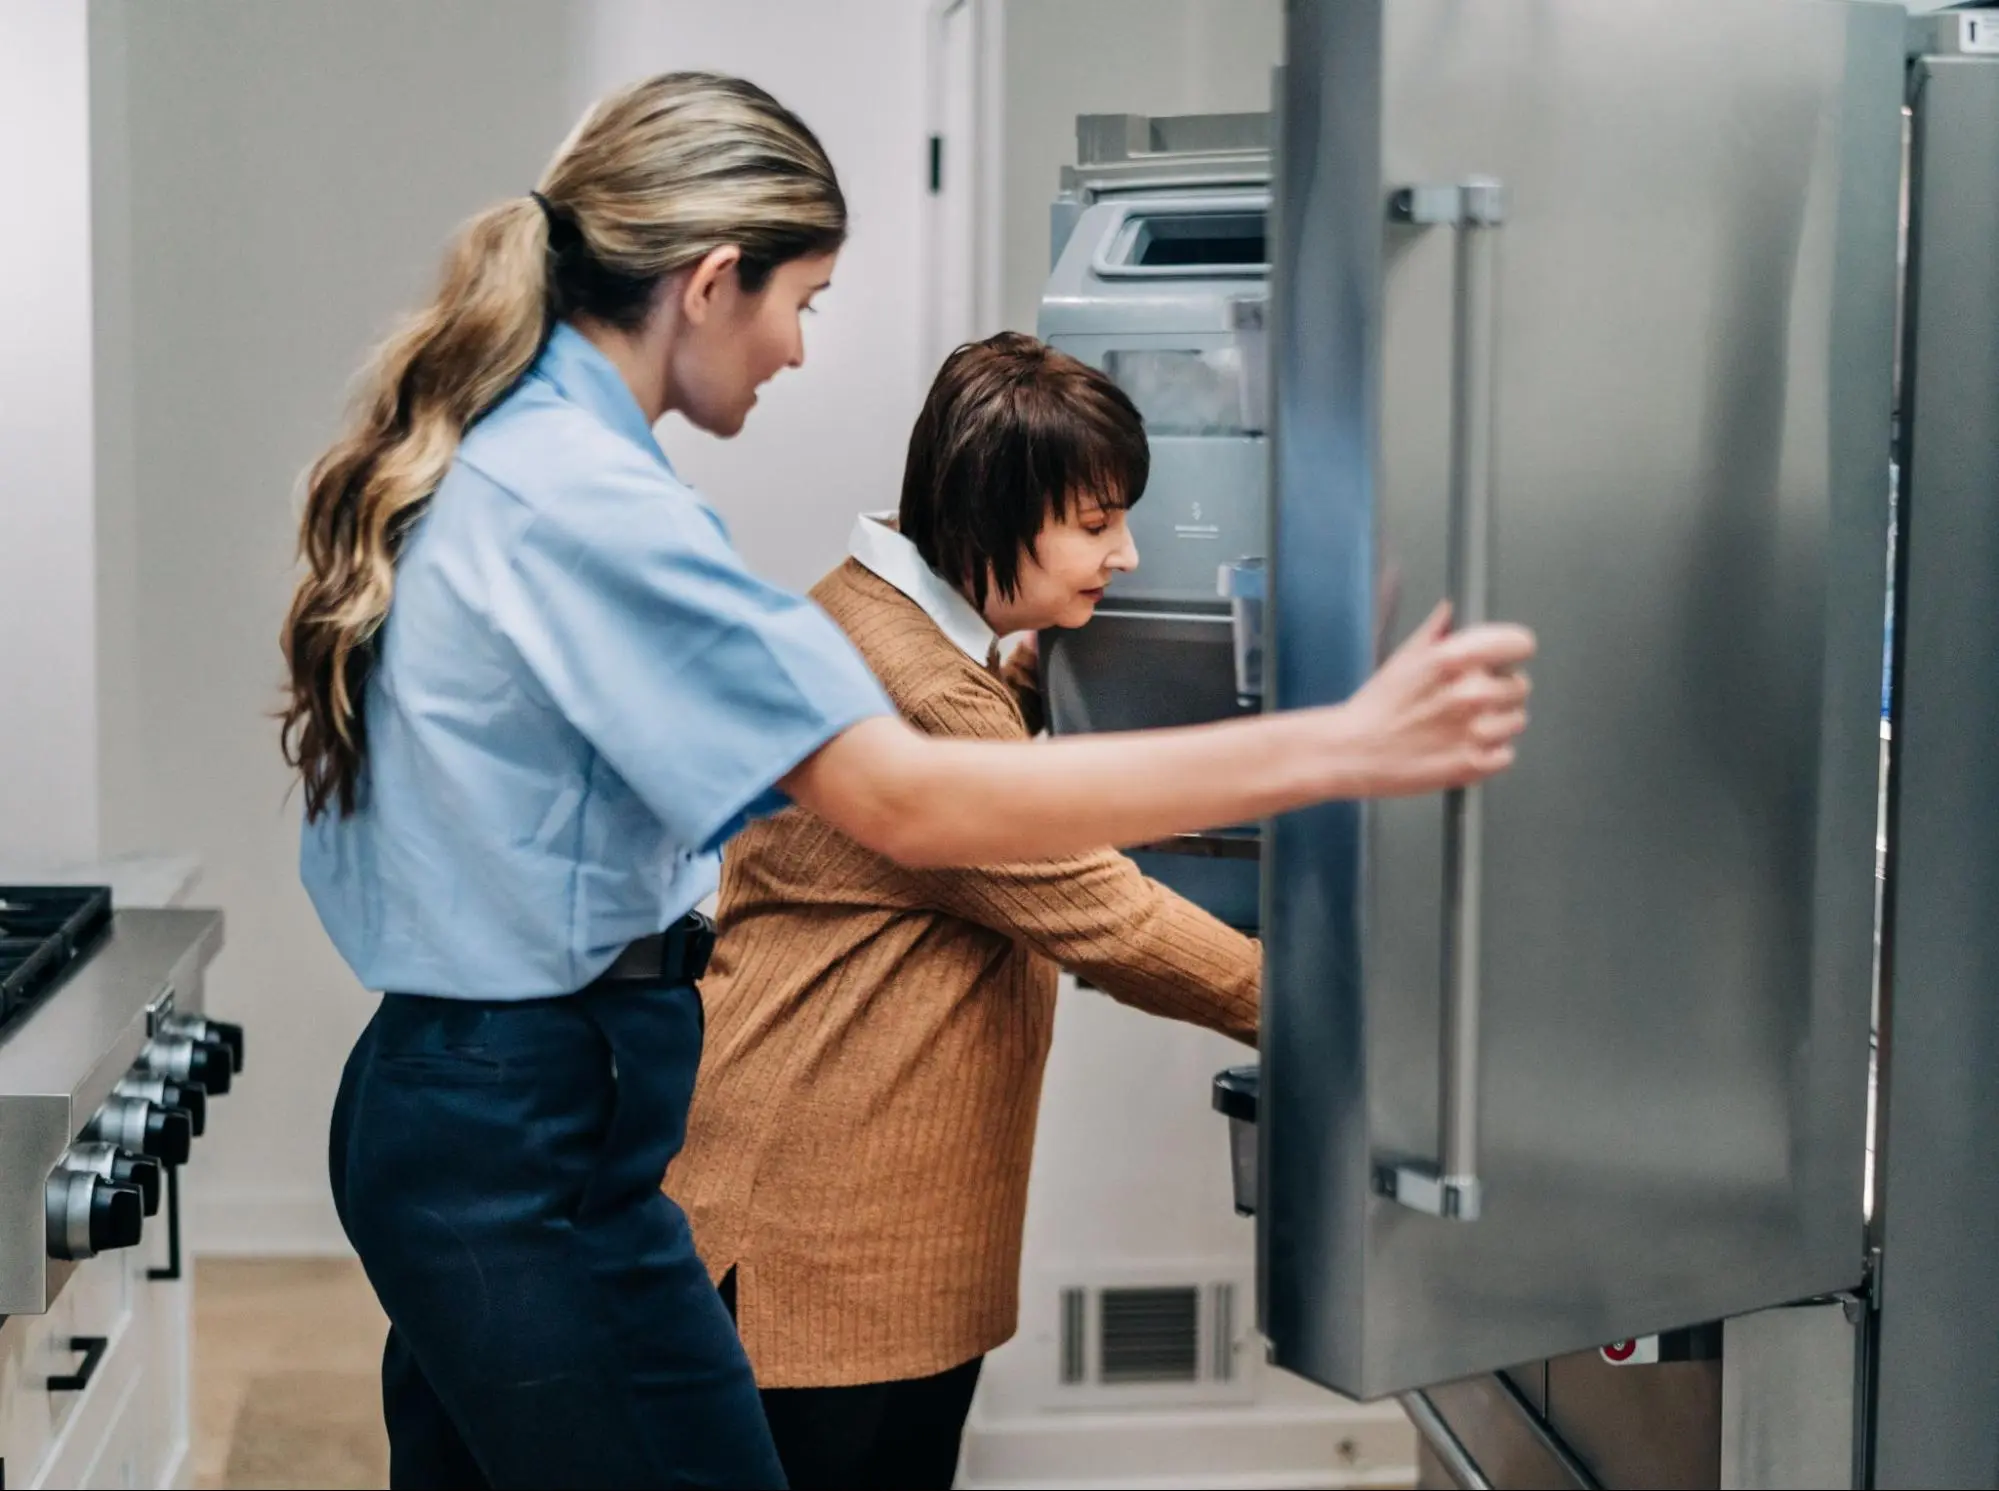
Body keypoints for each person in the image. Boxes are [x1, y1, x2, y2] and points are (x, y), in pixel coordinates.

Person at [278, 71, 1533, 1491]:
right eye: (801, 301)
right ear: (707, 282)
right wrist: (1337, 743)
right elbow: (914, 798)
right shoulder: (593, 507)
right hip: (525, 1127)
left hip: (484, 1103)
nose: (799, 351)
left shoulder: (520, 459)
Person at [667, 333, 1265, 1490]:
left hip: (839, 1205)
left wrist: (1032, 690)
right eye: (1094, 526)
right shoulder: (928, 689)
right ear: (998, 511)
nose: (1126, 554)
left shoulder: (877, 621)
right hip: (826, 1224)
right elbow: (1108, 918)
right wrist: (1331, 1021)